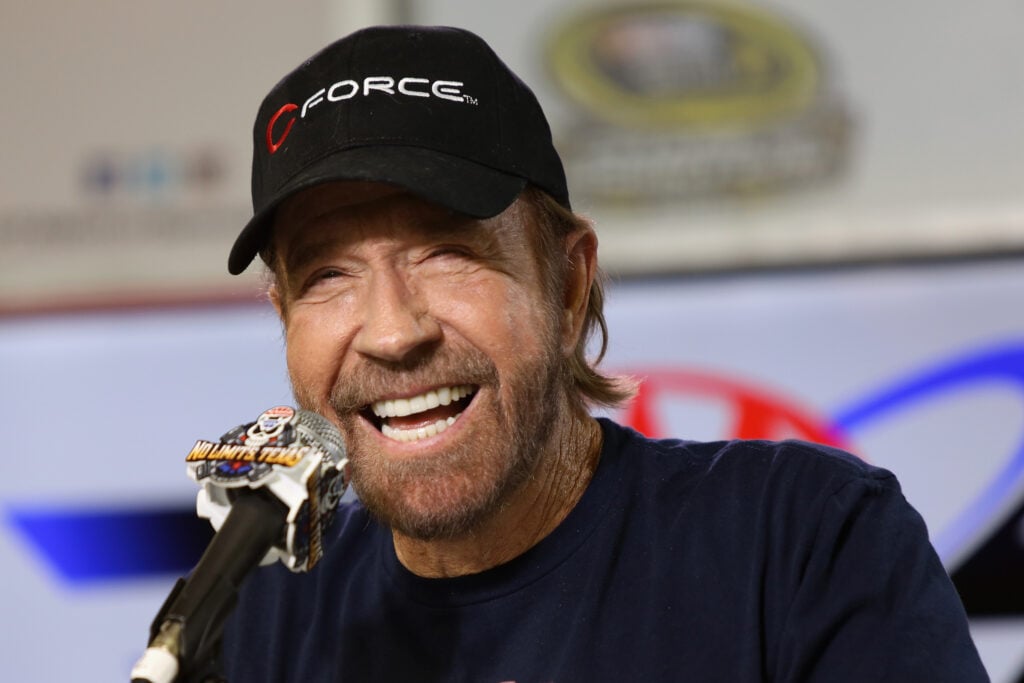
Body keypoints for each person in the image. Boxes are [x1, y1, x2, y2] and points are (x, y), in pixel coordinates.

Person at [203, 24, 988, 682]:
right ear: (283, 316)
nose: (393, 330)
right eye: (328, 275)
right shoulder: (262, 610)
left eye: (447, 251)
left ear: (569, 284)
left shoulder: (803, 544)